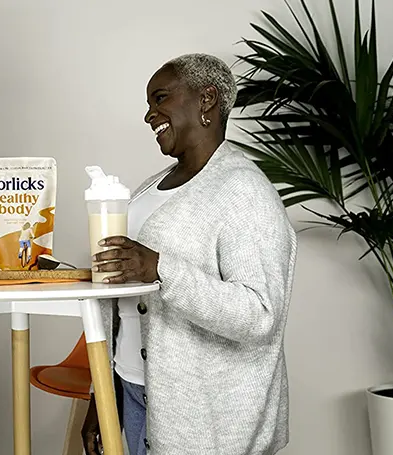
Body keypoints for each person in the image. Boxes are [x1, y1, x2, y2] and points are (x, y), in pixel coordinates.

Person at [81, 53, 297, 455]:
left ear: (206, 100)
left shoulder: (243, 191)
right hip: (134, 391)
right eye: (149, 104)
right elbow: (121, 308)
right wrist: (101, 399)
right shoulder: (150, 187)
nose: (150, 115)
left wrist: (160, 269)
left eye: (160, 99)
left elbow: (261, 315)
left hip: (206, 422)